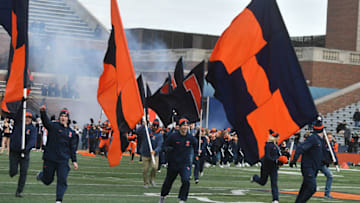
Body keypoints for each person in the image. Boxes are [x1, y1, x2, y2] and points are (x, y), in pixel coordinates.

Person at [37, 106, 78, 203]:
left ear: (68, 118)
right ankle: (42, 176)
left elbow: (72, 148)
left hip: (63, 160)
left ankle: (59, 200)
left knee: (62, 179)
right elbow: (46, 122)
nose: (63, 118)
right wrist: (43, 112)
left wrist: (74, 161)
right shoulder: (54, 126)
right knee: (48, 180)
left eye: (65, 116)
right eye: (61, 116)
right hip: (50, 158)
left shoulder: (71, 133)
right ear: (59, 117)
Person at [160, 118, 198, 203]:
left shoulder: (190, 137)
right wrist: (168, 149)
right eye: (183, 125)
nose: (185, 127)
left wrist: (196, 154)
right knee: (168, 182)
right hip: (173, 163)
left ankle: (182, 199)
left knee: (186, 180)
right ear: (180, 127)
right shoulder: (173, 136)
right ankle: (163, 196)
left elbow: (196, 145)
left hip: (185, 164)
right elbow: (164, 146)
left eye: (186, 125)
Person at [290, 116, 324, 203]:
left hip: (314, 168)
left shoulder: (319, 140)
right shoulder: (313, 138)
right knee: (312, 188)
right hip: (308, 167)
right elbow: (300, 148)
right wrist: (294, 159)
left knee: (305, 188)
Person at [9, 111, 36, 197]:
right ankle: (12, 172)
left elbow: (32, 140)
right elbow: (17, 115)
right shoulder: (18, 124)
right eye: (26, 117)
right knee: (13, 171)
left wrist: (26, 149)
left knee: (23, 172)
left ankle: (19, 191)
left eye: (29, 117)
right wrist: (22, 102)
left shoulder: (32, 128)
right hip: (14, 151)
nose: (27, 119)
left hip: (25, 153)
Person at [251, 130, 283, 203]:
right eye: (277, 137)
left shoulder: (276, 146)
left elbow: (279, 156)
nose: (278, 139)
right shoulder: (268, 145)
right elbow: (268, 157)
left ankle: (275, 199)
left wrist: (283, 158)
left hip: (274, 168)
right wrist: (276, 161)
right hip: (266, 166)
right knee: (263, 182)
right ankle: (255, 177)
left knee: (274, 183)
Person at [138, 119, 163, 188]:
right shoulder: (146, 130)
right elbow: (138, 132)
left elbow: (160, 145)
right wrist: (142, 126)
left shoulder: (159, 135)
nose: (155, 127)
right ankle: (145, 183)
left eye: (156, 126)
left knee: (155, 167)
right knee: (145, 169)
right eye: (154, 125)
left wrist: (155, 151)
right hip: (145, 153)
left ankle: (152, 179)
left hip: (154, 154)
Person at [320, 133, 338, 199]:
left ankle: (327, 193)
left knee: (330, 176)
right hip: (316, 163)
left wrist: (335, 160)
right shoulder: (320, 143)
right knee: (311, 177)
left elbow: (332, 153)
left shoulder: (330, 145)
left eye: (331, 138)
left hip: (323, 164)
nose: (330, 139)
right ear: (325, 137)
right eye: (328, 137)